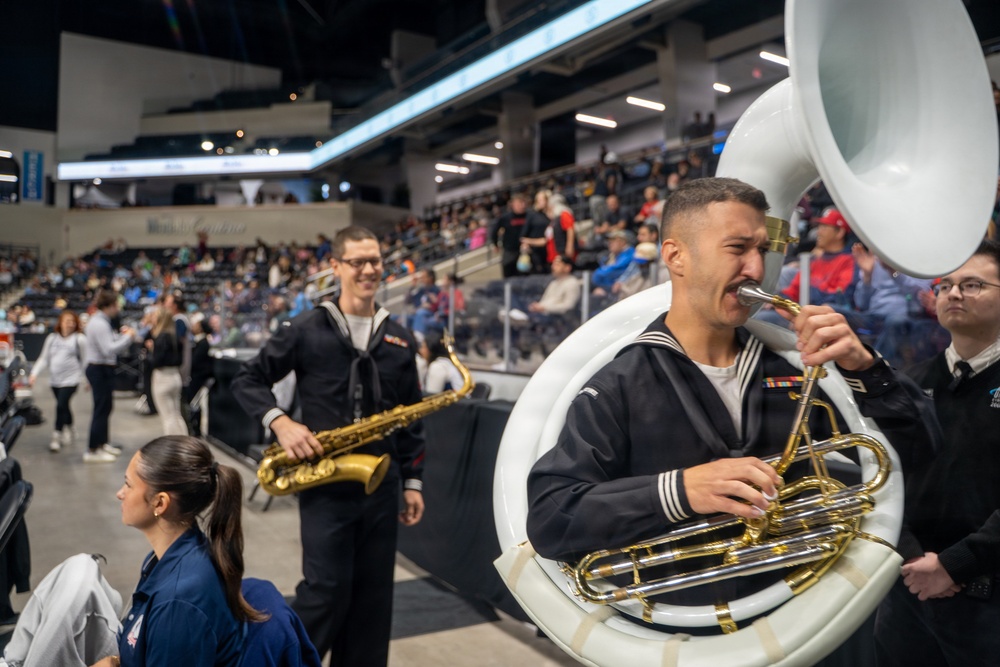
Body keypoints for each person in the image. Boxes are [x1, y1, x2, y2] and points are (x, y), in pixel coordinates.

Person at [526, 177, 937, 614]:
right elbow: (552, 517)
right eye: (737, 248)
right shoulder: (618, 384)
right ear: (675, 256)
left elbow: (921, 456)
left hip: (803, 619)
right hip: (681, 633)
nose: (757, 269)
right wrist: (678, 490)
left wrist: (866, 370)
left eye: (761, 250)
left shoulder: (800, 367)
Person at [231, 225, 425, 665]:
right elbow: (248, 379)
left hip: (382, 482)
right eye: (357, 261)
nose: (369, 270)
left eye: (375, 260)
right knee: (325, 591)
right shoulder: (306, 328)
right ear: (335, 266)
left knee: (375, 600)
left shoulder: (399, 338)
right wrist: (281, 423)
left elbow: (411, 415)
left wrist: (413, 481)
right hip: (324, 480)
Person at [874, 239, 1000, 666]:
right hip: (910, 592)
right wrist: (914, 560)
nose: (953, 294)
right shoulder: (909, 381)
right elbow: (882, 478)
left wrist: (954, 565)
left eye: (972, 285)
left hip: (990, 598)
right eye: (945, 286)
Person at [89, 435, 265, 667]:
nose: (120, 493)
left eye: (128, 484)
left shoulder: (178, 605)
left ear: (160, 503)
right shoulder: (169, 556)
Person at [83, 290, 135, 464]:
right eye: (115, 306)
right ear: (109, 306)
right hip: (99, 368)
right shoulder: (99, 323)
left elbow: (109, 343)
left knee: (106, 408)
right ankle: (92, 449)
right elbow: (109, 349)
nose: (117, 310)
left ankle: (102, 443)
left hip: (102, 368)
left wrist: (122, 335)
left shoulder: (102, 322)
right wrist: (128, 338)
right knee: (101, 409)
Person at [29, 310, 87, 452]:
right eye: (67, 321)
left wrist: (86, 379)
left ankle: (56, 435)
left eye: (73, 321)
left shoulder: (79, 339)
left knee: (61, 405)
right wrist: (34, 373)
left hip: (71, 380)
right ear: (60, 322)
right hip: (55, 380)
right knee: (64, 406)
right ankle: (70, 426)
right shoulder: (52, 338)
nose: (70, 324)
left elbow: (86, 360)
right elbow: (44, 358)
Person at [148, 308, 189, 436]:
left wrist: (150, 351)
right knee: (176, 414)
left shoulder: (161, 337)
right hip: (175, 376)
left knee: (168, 417)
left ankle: (172, 451)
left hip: (163, 377)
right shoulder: (175, 336)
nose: (152, 319)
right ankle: (184, 444)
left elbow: (156, 361)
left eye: (154, 316)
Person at [490, 194, 529, 278]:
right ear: (513, 205)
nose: (522, 206)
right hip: (510, 250)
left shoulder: (529, 216)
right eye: (519, 203)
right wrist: (495, 244)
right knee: (508, 273)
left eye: (523, 203)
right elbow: (494, 231)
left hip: (525, 251)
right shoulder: (505, 218)